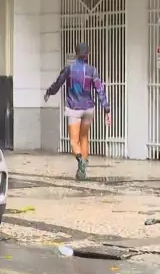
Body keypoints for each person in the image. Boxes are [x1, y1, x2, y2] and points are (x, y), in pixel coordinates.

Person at [44, 43, 111, 180]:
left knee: (74, 142)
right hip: (88, 109)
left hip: (74, 108)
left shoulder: (69, 70)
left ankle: (80, 161)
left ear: (76, 53)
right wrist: (107, 109)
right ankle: (83, 170)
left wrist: (49, 92)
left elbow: (57, 84)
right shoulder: (93, 71)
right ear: (88, 54)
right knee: (84, 137)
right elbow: (100, 90)